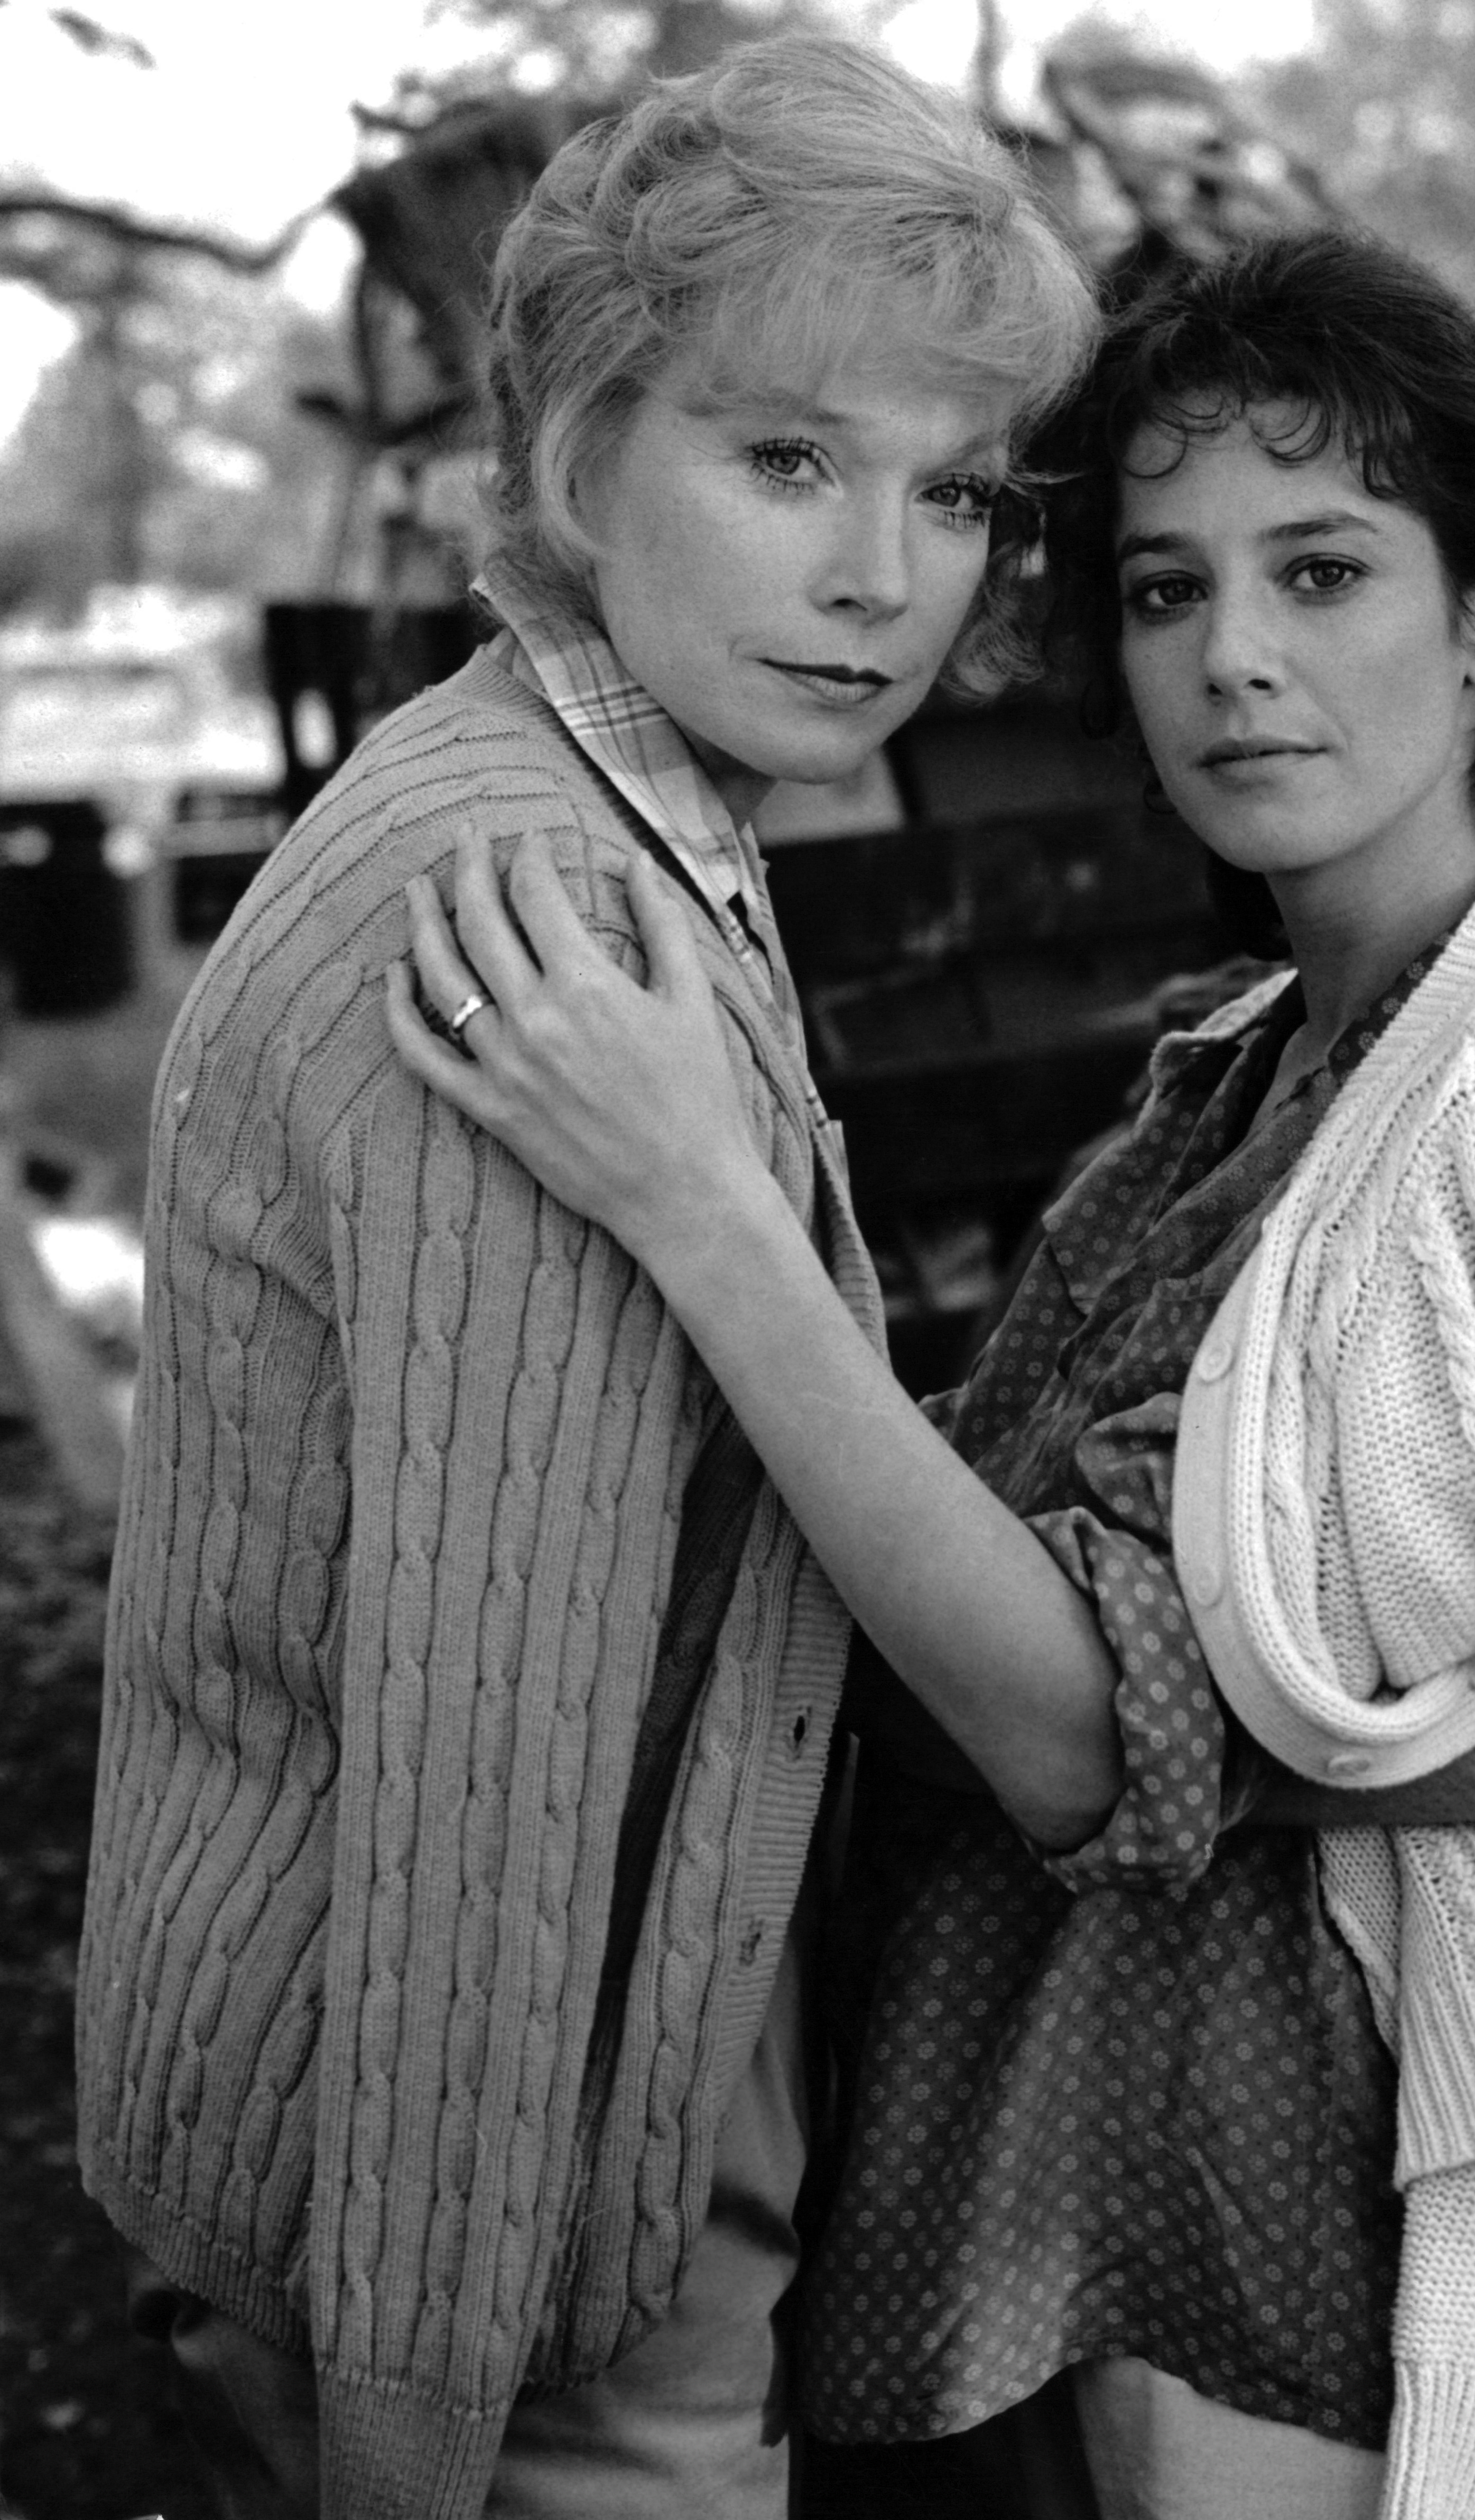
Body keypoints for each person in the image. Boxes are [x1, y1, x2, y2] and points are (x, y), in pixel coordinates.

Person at [386, 230, 1475, 2520]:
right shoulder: (1252, 1058)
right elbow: (1058, 1622)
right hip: (1042, 2174)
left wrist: (705, 1207)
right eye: (1160, 589)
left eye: (1323, 571)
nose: (1232, 660)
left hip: (1246, 2230)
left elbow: (1064, 1716)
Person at [74, 35, 1099, 2520]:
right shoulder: (530, 923)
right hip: (504, 2271)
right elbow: (481, 1801)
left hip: (559, 2154)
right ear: (567, 460)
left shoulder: (612, 803)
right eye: (786, 460)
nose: (889, 573)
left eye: (951, 485)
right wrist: (418, 2442)